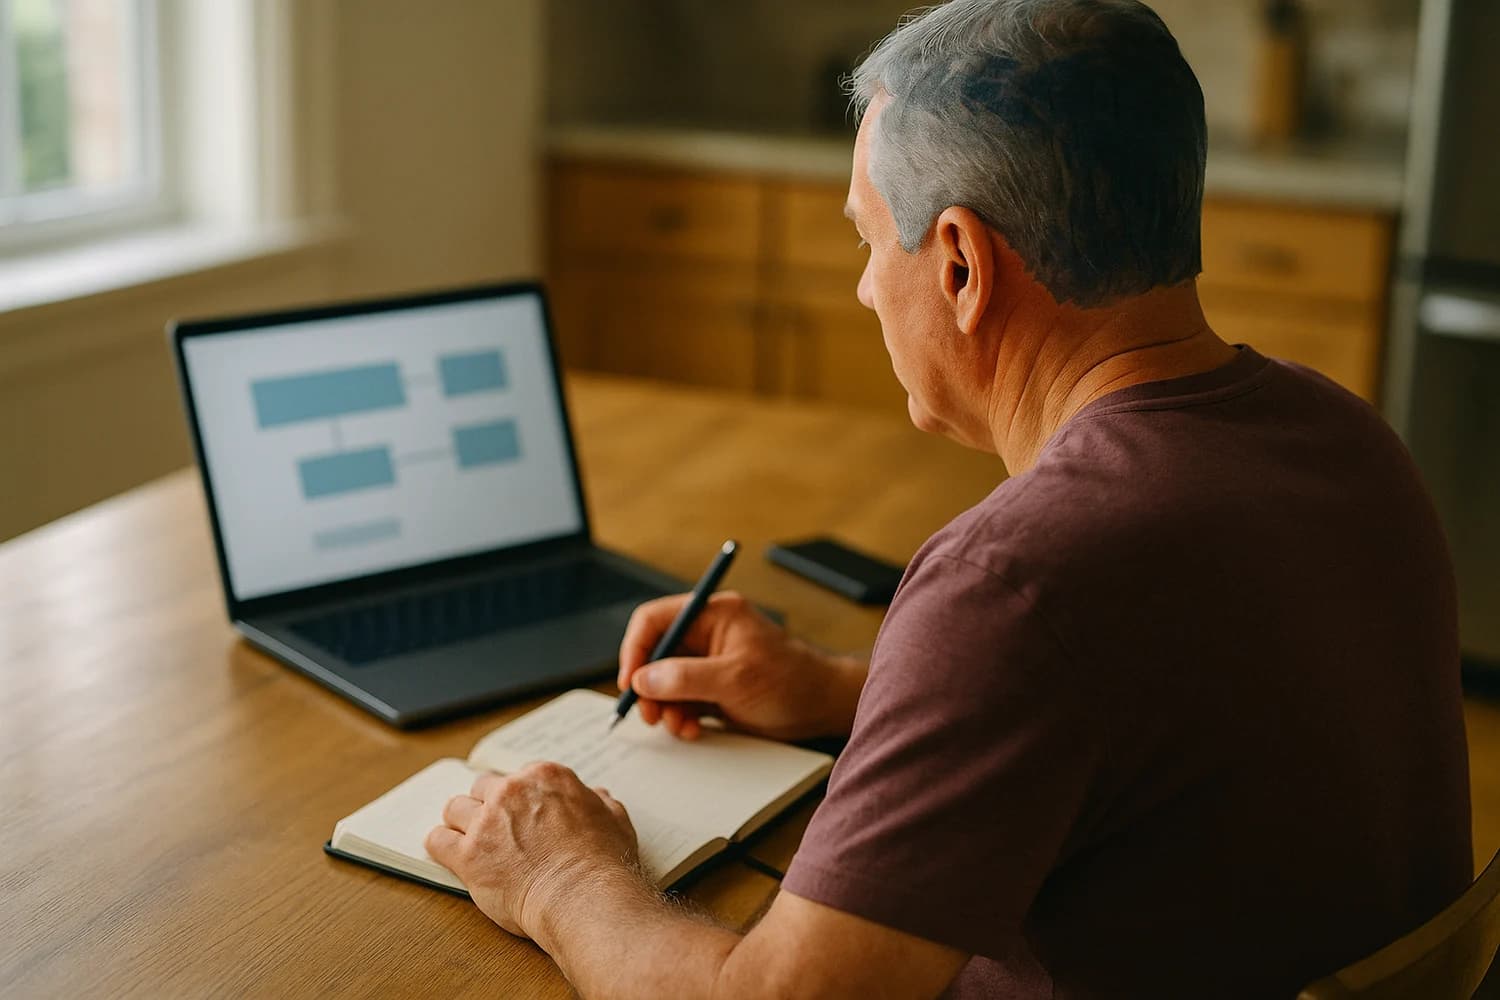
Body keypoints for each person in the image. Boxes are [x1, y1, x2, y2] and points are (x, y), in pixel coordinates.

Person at [425, 1, 1473, 996]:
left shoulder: (1016, 578)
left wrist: (562, 874)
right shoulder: (1349, 441)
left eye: (871, 239)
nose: (866, 286)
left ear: (964, 265)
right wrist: (842, 688)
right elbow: (1144, 697)